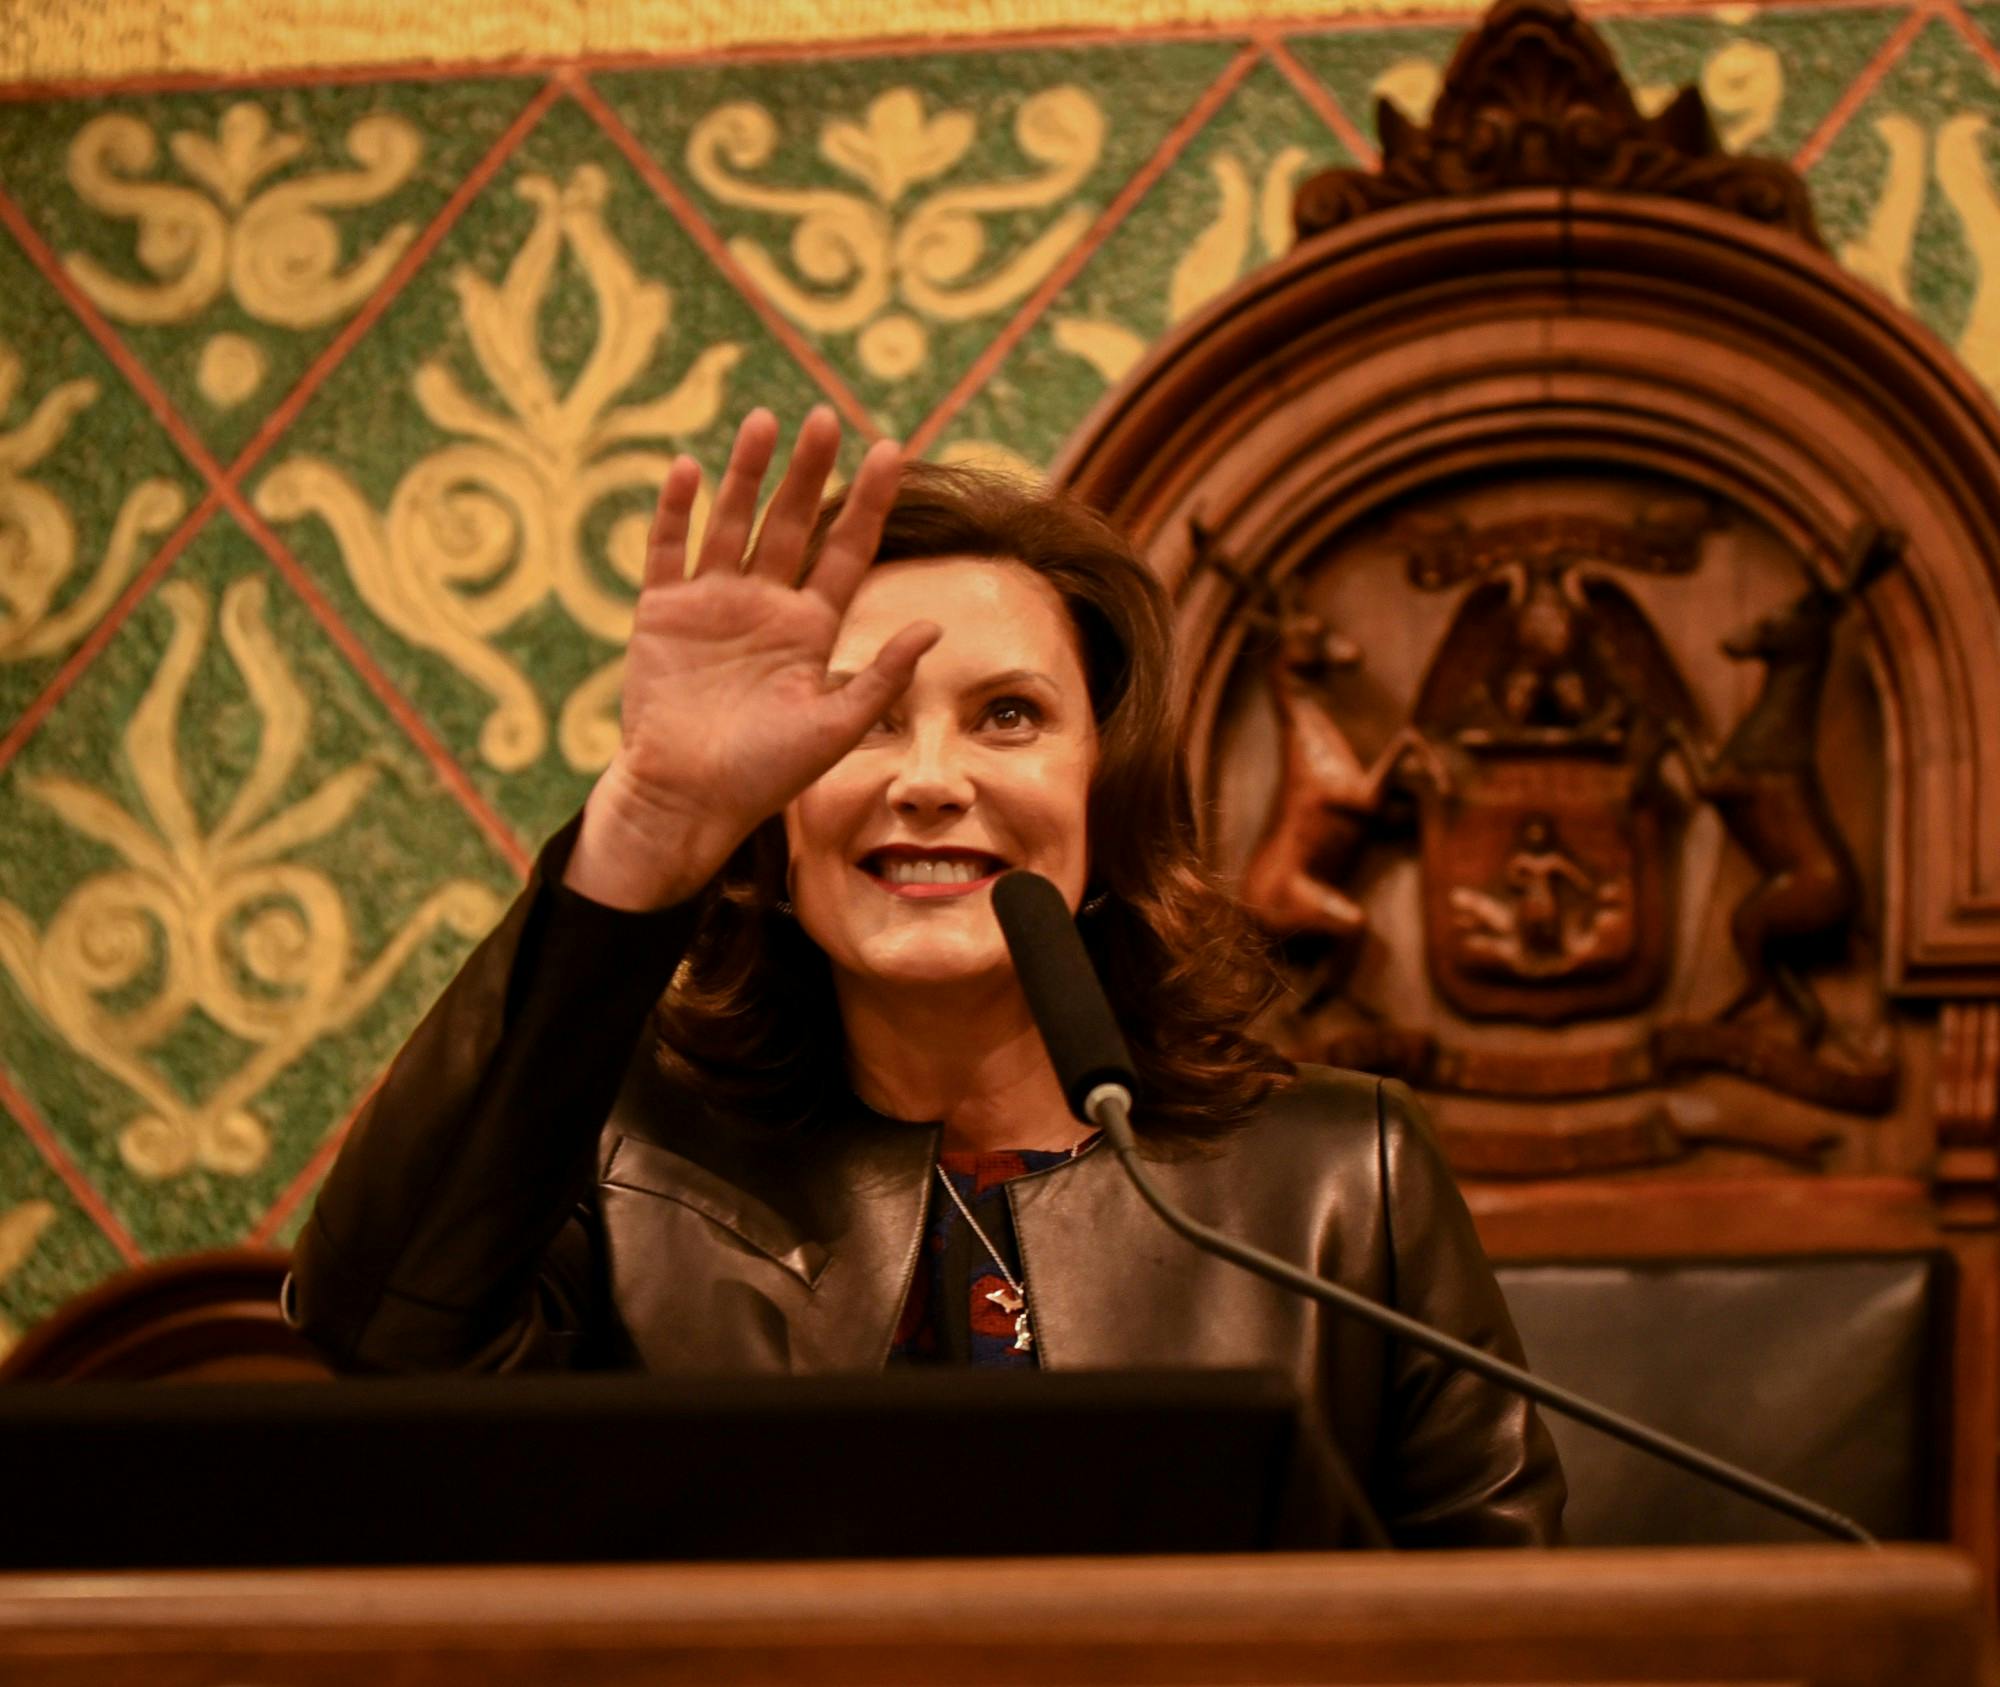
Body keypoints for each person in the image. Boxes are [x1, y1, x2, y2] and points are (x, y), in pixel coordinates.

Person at [286, 406, 1565, 1548]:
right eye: (862, 715)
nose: (929, 778)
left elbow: (1510, 1641)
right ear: (776, 826)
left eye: (1007, 714)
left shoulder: (1351, 1181)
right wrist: (650, 824)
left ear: (1101, 800)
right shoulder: (630, 1166)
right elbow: (381, 1339)